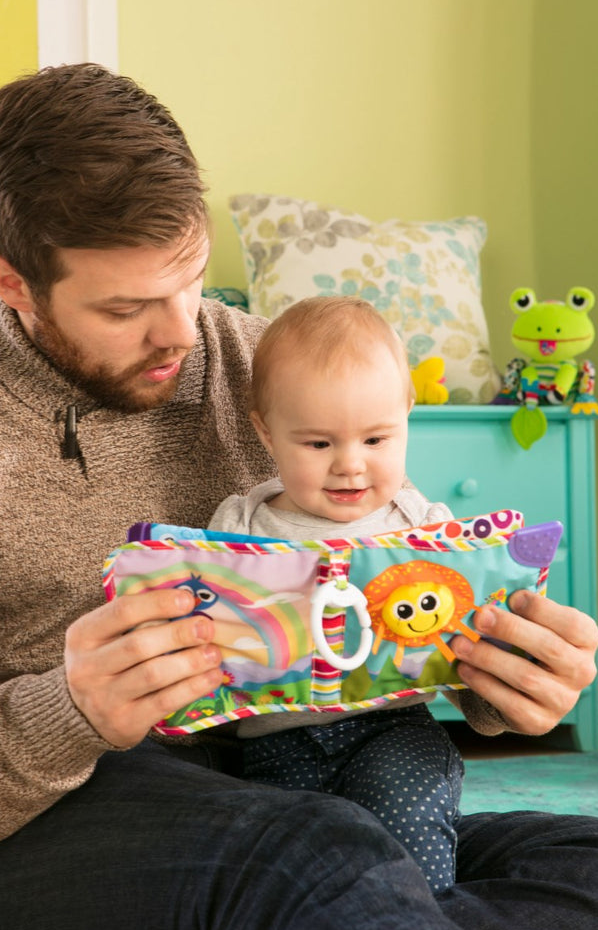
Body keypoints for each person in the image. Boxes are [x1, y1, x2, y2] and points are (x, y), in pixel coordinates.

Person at [0, 62, 598, 930]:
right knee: (318, 856)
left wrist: (496, 677)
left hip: (285, 800)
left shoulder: (273, 371)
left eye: (189, 281)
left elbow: (393, 593)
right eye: (124, 309)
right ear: (13, 284)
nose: (181, 333)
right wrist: (70, 712)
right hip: (26, 864)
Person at [206, 294, 509, 895]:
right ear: (266, 431)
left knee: (409, 823)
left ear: (407, 417)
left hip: (392, 727)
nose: (350, 465)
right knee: (286, 864)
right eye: (318, 444)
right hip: (275, 741)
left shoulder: (426, 524)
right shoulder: (239, 524)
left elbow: (468, 626)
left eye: (376, 439)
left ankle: (427, 925)